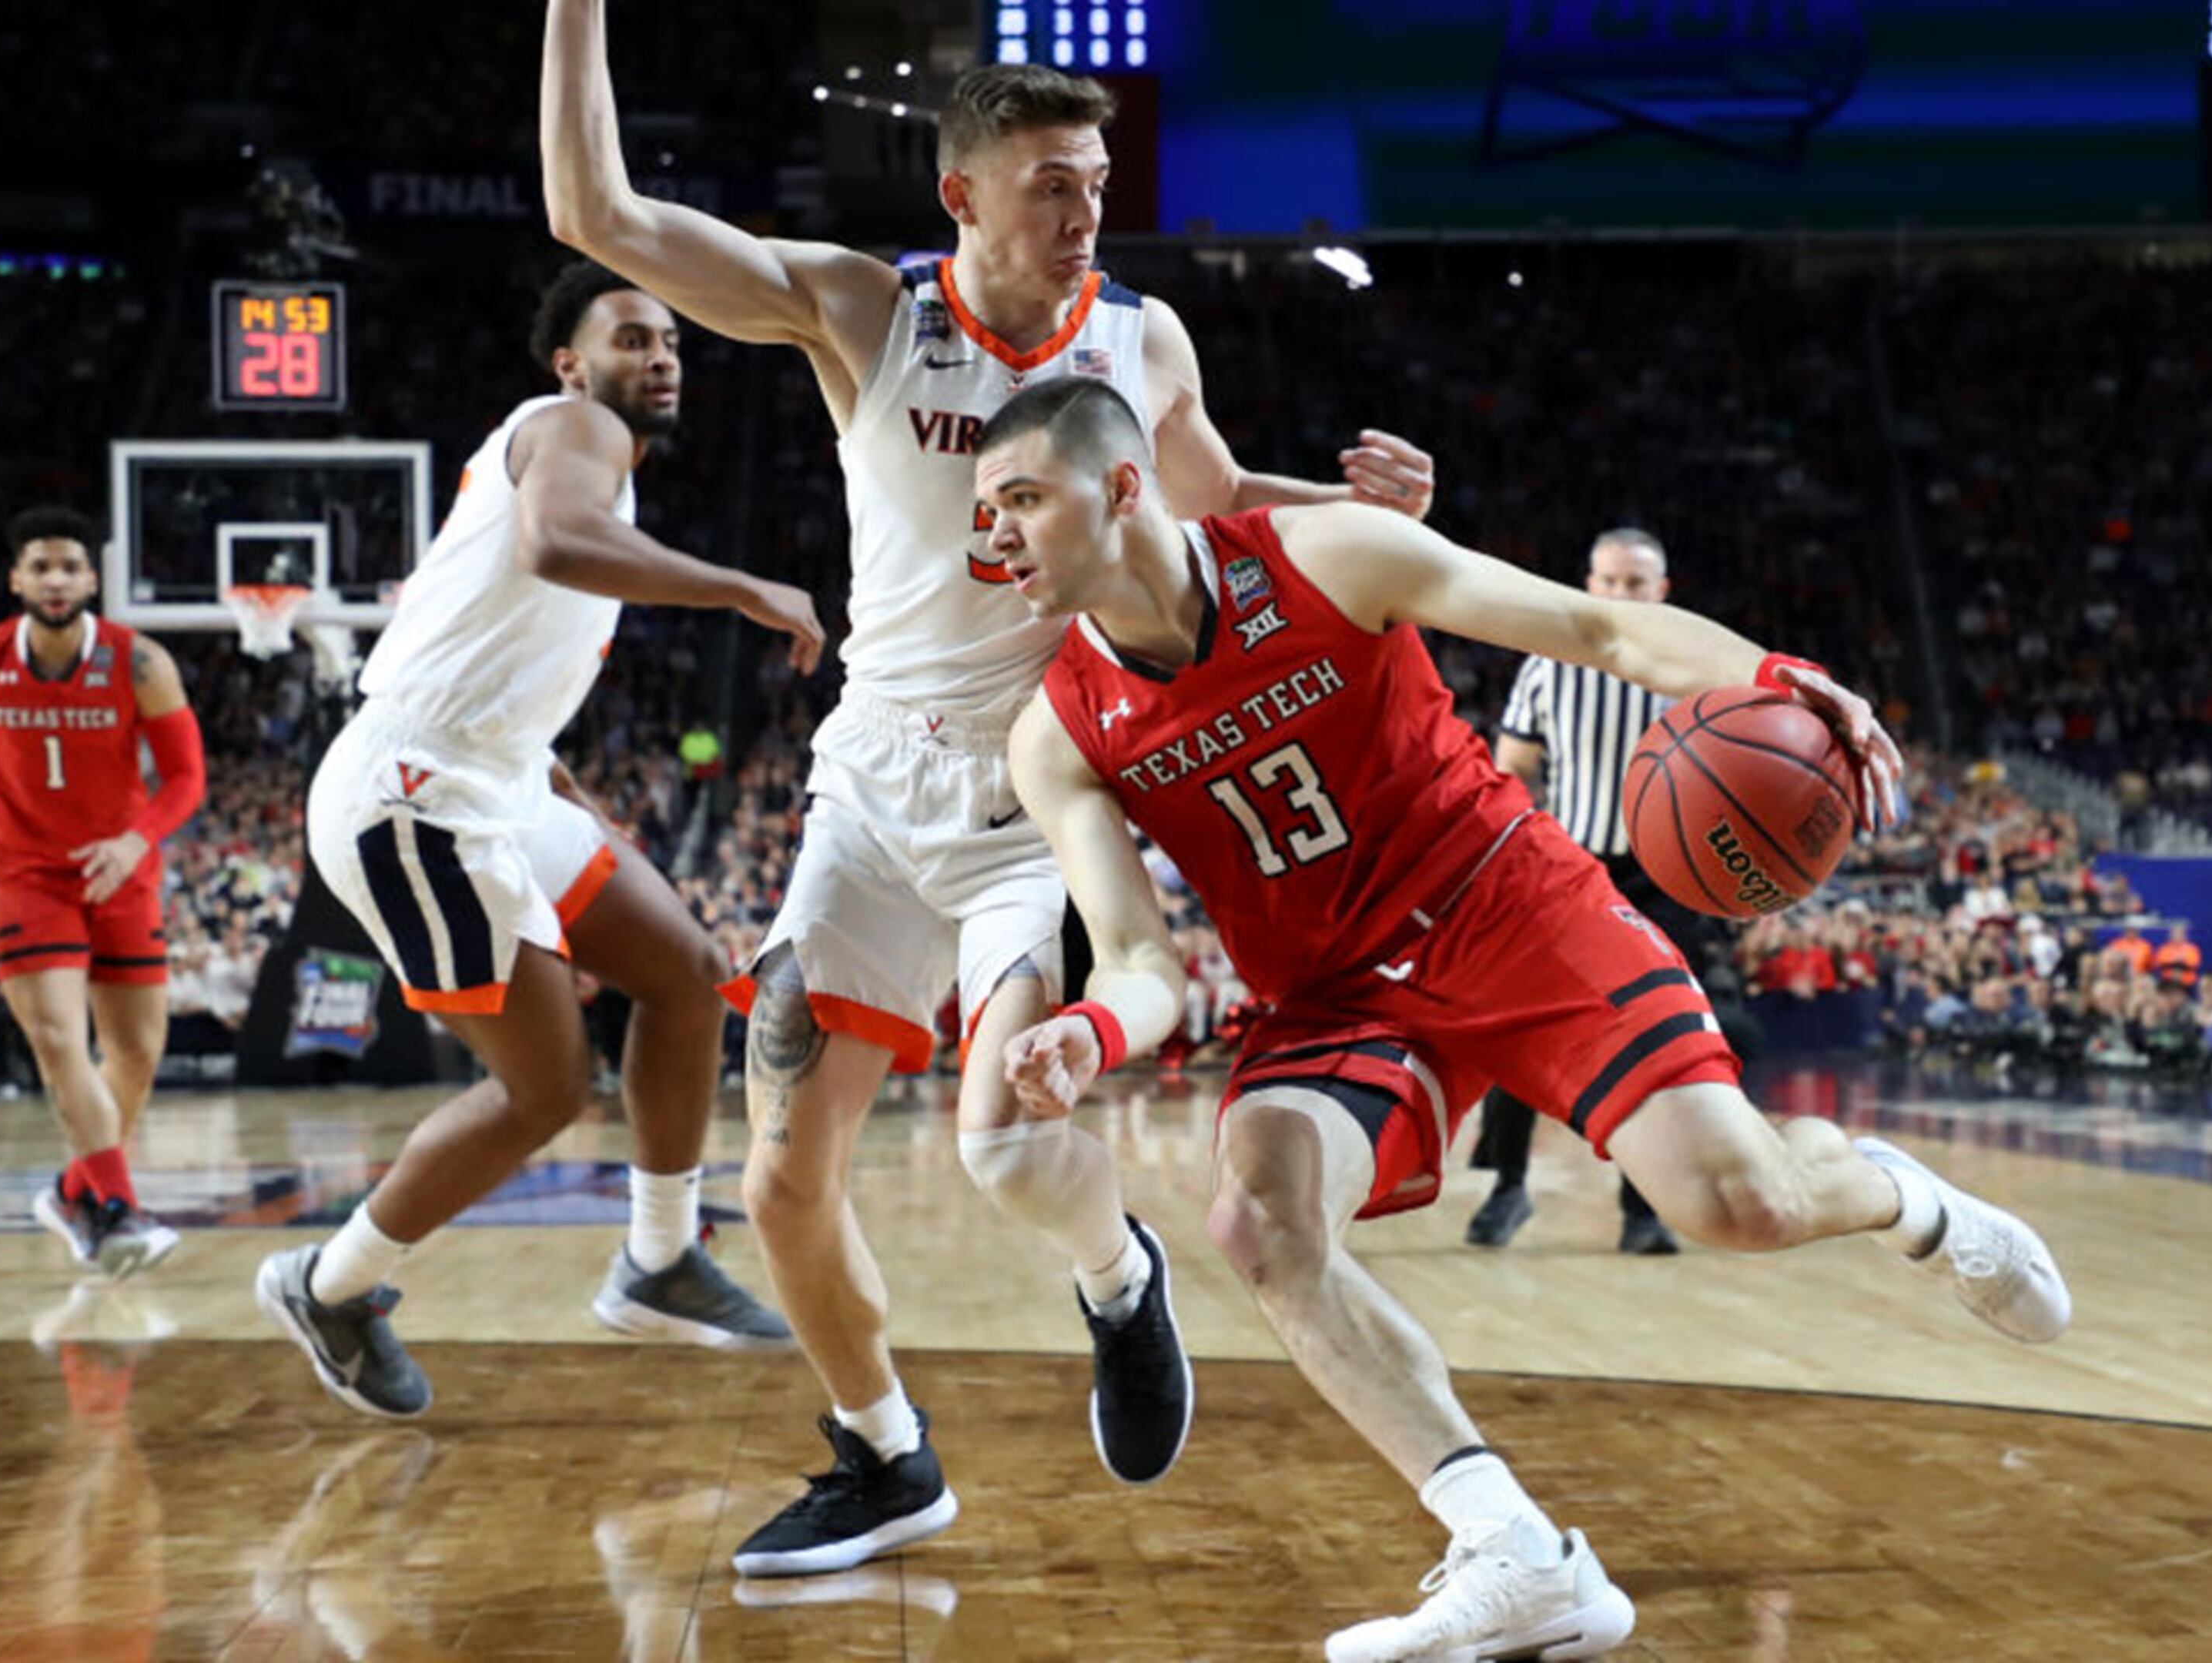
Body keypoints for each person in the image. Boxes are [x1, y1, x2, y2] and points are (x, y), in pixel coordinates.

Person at [543, 6, 1441, 1575]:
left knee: (1006, 1148)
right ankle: (884, 1455)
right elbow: (598, 218)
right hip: (874, 781)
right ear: (961, 197)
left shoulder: (1144, 335)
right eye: (1048, 182)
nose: (1084, 207)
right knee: (781, 1178)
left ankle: (1117, 1278)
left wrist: (1362, 508)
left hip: (1048, 787)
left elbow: (1213, 495)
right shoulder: (865, 312)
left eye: (1095, 178)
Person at [976, 379, 2070, 1662]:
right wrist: (1096, 1035)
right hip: (1338, 991)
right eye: (986, 510)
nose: (996, 538)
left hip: (1507, 901)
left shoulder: (1333, 552)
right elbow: (1139, 959)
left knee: (1741, 1206)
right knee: (1257, 1212)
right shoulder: (1054, 734)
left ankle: (1902, 1200)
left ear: (1118, 490)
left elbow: (1592, 630)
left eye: (1022, 501)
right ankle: (1514, 1549)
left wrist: (1779, 674)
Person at [256, 262, 825, 1419]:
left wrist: (559, 783)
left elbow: (499, 630)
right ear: (572, 363)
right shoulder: (573, 430)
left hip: (499, 780)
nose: (661, 353)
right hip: (414, 793)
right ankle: (330, 1283)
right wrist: (741, 588)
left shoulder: (595, 471)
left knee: (682, 975)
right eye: (631, 336)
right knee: (544, 1090)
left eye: (671, 339)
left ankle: (659, 1259)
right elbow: (556, 544)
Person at [0, 507, 207, 1277]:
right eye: (40, 566)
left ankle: (69, 1193)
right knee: (58, 1040)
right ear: (16, 578)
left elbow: (187, 777)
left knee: (136, 1054)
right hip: (28, 874)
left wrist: (135, 839)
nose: (55, 579)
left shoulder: (140, 662)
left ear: (93, 579)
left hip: (121, 869)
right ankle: (118, 1209)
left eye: (69, 566)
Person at [1462, 527, 1684, 1255]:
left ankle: (1644, 1206)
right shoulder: (1548, 666)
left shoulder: (1689, 671)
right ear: (1589, 585)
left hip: (1666, 877)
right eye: (1611, 581)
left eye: (1637, 582)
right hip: (1570, 866)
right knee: (1524, 1025)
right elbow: (1514, 767)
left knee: (1660, 1040)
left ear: (1663, 591)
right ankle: (1507, 1185)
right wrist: (1531, 851)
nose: (1622, 594)